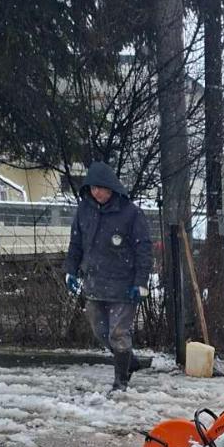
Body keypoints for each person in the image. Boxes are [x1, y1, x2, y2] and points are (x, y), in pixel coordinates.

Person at [64, 161, 153, 393]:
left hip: (123, 285)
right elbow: (76, 243)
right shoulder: (84, 210)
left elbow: (143, 249)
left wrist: (140, 283)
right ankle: (129, 361)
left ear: (112, 187)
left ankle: (120, 381)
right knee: (100, 332)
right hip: (94, 283)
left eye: (101, 188)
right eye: (93, 188)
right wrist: (70, 270)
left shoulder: (130, 213)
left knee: (118, 333)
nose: (97, 193)